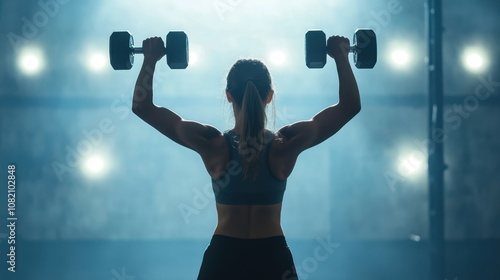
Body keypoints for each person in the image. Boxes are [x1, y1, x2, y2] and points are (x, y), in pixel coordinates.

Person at [132, 35, 360, 280]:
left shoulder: (212, 144)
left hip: (224, 258)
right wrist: (340, 57)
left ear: (229, 95)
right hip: (272, 257)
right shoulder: (285, 145)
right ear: (269, 96)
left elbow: (142, 107)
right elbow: (349, 106)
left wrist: (150, 59)